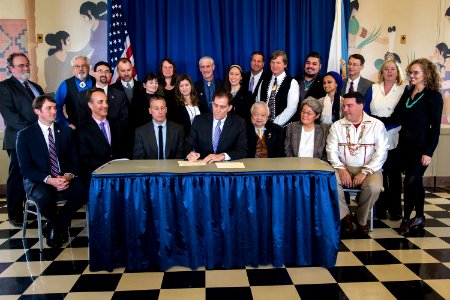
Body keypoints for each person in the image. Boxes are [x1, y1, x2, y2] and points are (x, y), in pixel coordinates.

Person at [375, 59, 443, 235]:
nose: (411, 76)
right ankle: (419, 216)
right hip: (404, 146)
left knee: (410, 181)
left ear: (426, 74)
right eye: (410, 72)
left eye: (415, 73)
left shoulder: (434, 96)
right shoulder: (408, 93)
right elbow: (395, 118)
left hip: (422, 148)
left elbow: (435, 129)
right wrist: (371, 120)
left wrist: (429, 152)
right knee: (416, 182)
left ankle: (406, 219)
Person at [16, 95, 87, 247]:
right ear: (37, 111)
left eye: (55, 108)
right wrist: (49, 179)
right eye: (49, 108)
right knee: (45, 196)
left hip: (63, 177)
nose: (54, 111)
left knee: (82, 190)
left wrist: (68, 176)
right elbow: (26, 169)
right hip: (39, 180)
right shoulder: (25, 136)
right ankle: (57, 226)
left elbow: (75, 161)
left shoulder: (66, 132)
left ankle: (56, 225)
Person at [326, 92, 388, 234]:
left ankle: (361, 219)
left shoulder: (376, 125)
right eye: (344, 106)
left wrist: (365, 172)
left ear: (361, 106)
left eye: (349, 106)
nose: (345, 109)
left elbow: (382, 152)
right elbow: (331, 151)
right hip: (343, 166)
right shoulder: (337, 126)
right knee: (330, 182)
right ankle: (345, 216)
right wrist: (341, 170)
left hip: (370, 168)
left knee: (374, 187)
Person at [0, 52, 44, 227]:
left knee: (34, 175)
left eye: (27, 64)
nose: (25, 68)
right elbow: (11, 117)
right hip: (18, 140)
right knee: (17, 177)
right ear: (10, 68)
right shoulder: (4, 87)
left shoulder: (35, 87)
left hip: (38, 140)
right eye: (21, 66)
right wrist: (34, 132)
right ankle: (15, 214)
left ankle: (30, 210)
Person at [365, 59, 407, 221]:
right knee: (378, 174)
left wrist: (383, 125)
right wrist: (377, 125)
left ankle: (396, 209)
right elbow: (366, 110)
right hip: (374, 136)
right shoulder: (373, 88)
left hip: (394, 135)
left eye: (392, 69)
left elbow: (401, 115)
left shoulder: (404, 88)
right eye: (386, 69)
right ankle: (379, 209)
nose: (389, 72)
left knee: (394, 176)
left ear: (398, 72)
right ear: (381, 72)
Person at [77, 88, 127, 186]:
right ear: (90, 105)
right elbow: (85, 160)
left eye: (106, 102)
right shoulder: (83, 130)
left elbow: (125, 151)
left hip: (120, 178)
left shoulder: (118, 125)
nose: (105, 105)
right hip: (97, 180)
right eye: (100, 102)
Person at [187, 90, 247, 163]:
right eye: (215, 105)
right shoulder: (199, 121)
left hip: (227, 168)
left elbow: (242, 150)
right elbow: (188, 145)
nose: (218, 110)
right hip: (203, 166)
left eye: (222, 107)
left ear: (229, 108)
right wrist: (190, 154)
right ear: (212, 104)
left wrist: (222, 156)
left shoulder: (238, 123)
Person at [77, 61, 128, 126]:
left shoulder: (120, 95)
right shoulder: (82, 96)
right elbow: (82, 120)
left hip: (115, 134)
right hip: (92, 134)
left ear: (110, 75)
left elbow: (124, 119)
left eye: (107, 71)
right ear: (94, 74)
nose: (103, 74)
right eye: (100, 71)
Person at [258, 50, 300, 127]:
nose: (275, 65)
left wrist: (274, 124)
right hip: (263, 125)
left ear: (285, 64)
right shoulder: (263, 82)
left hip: (282, 128)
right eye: (272, 62)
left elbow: (292, 108)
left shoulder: (292, 83)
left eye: (278, 63)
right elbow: (258, 103)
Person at [54, 55, 95, 129]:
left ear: (88, 68)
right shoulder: (65, 84)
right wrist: (65, 123)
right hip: (75, 129)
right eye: (77, 66)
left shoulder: (96, 82)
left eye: (84, 65)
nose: (81, 69)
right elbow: (55, 106)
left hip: (95, 128)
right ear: (73, 69)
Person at [111, 58, 145, 128]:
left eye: (128, 70)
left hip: (141, 129)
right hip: (121, 131)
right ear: (118, 71)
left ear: (132, 69)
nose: (126, 73)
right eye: (123, 71)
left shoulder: (143, 86)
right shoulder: (112, 89)